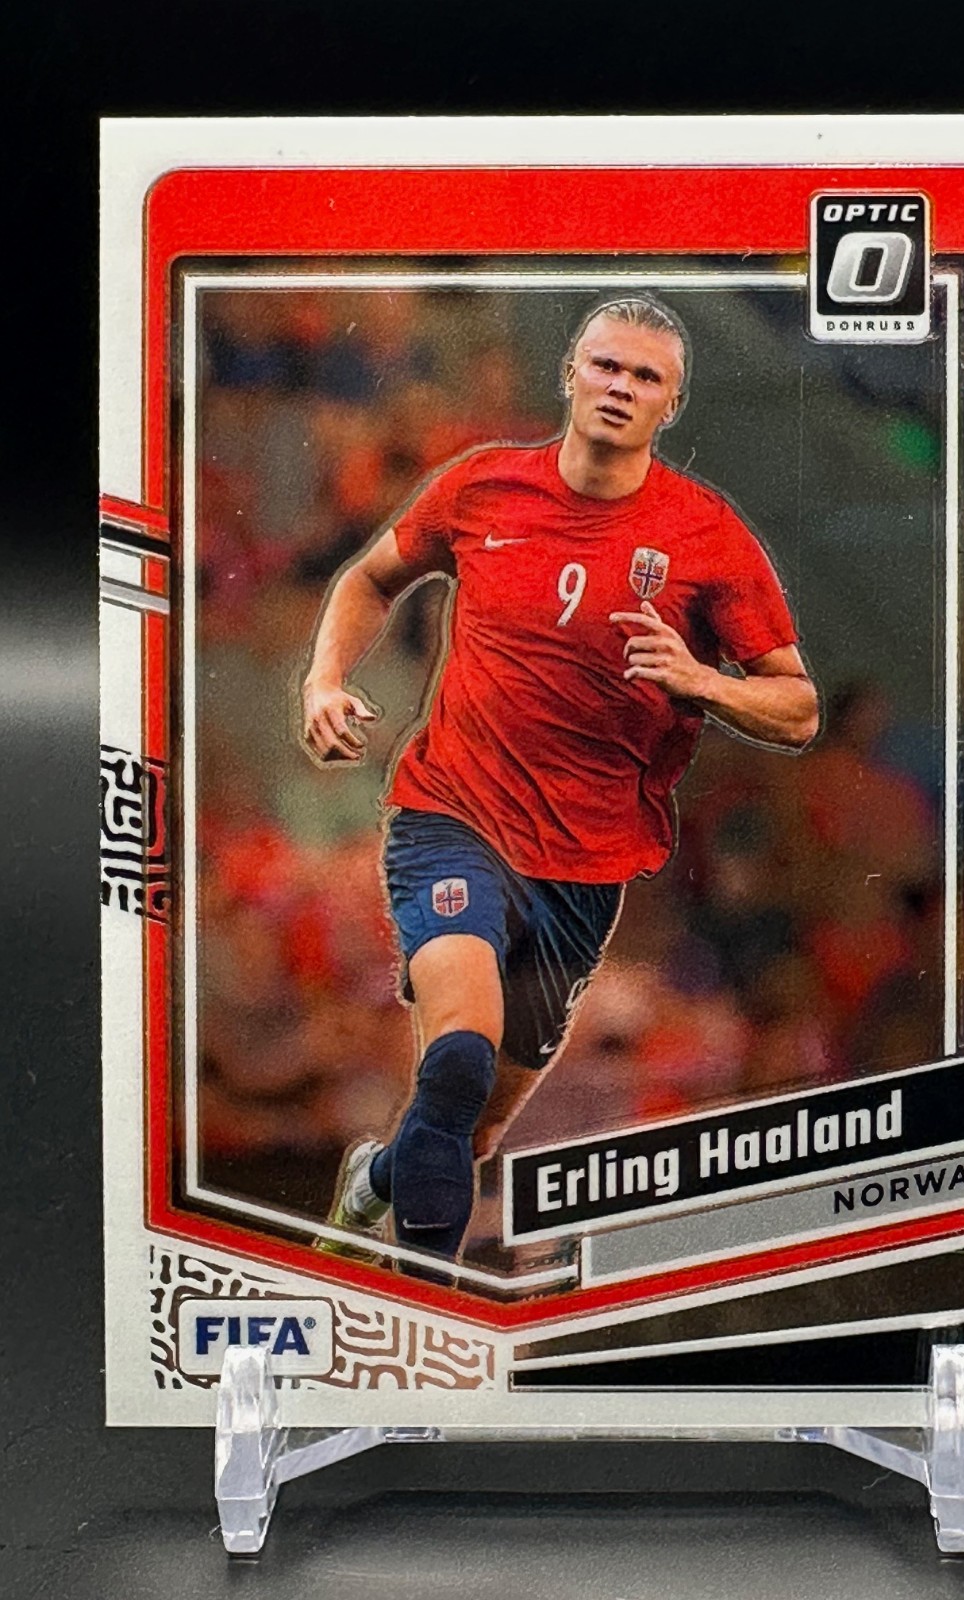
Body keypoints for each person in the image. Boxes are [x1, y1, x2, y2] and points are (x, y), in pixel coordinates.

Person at [300, 295, 819, 1268]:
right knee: (457, 1057)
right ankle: (420, 1310)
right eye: (606, 365)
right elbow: (369, 578)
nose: (620, 387)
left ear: (670, 405)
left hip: (585, 869)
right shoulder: (484, 486)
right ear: (571, 374)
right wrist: (325, 678)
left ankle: (374, 1184)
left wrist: (702, 680)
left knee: (473, 1126)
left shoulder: (706, 536)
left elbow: (797, 707)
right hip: (452, 814)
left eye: (646, 377)